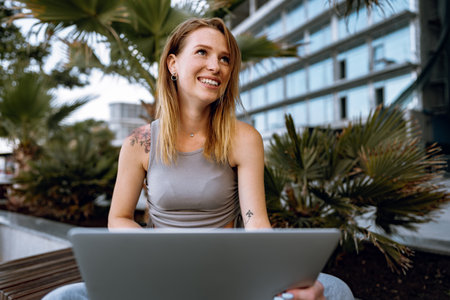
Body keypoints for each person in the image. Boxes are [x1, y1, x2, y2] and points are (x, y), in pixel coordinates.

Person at [43, 17, 353, 300]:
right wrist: (159, 252)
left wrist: (279, 276)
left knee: (335, 290)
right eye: (202, 52)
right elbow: (119, 218)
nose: (215, 66)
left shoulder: (243, 138)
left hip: (228, 273)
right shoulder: (140, 142)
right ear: (173, 64)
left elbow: (255, 220)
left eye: (224, 58)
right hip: (159, 271)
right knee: (62, 298)